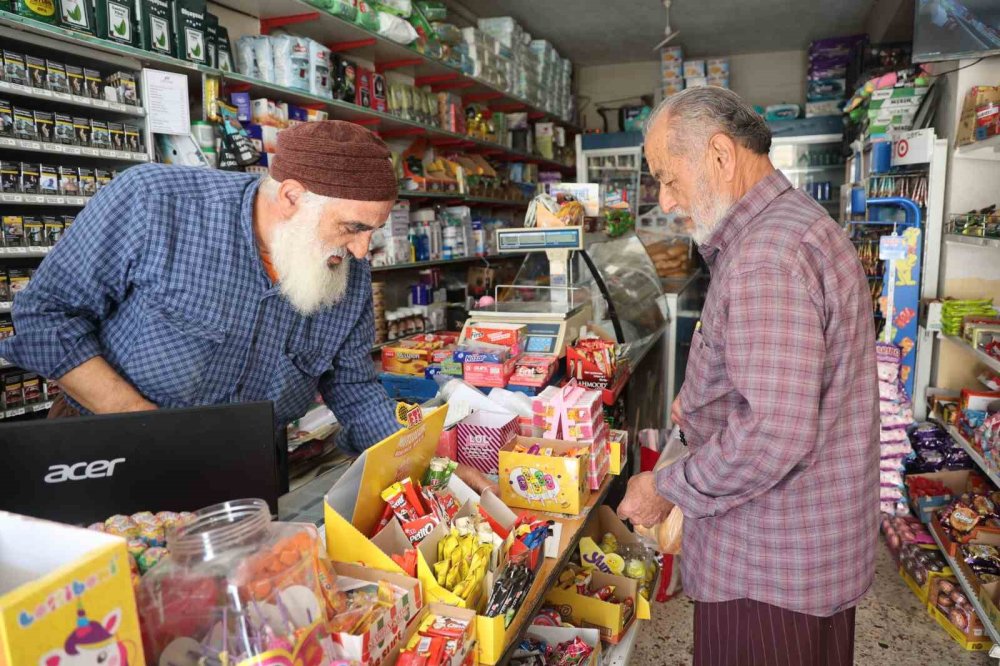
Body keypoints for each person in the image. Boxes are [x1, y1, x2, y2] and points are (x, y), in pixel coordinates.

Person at [617, 87, 879, 666]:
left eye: (667, 177)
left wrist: (667, 488)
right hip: (804, 561)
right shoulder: (788, 228)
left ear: (719, 155)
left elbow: (771, 433)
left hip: (768, 573)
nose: (663, 200)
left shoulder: (767, 255)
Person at [0, 120, 402, 452]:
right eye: (354, 228)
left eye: (374, 231)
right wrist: (142, 424)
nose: (363, 251)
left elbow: (352, 385)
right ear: (292, 196)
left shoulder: (344, 264)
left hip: (246, 460)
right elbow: (45, 314)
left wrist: (431, 472)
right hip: (105, 443)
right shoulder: (154, 201)